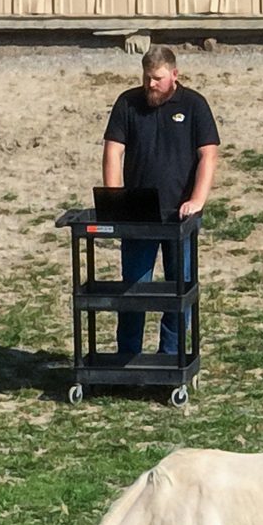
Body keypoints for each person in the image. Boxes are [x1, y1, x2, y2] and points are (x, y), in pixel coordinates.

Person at [101, 45, 220, 356]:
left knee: (178, 289)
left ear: (174, 75)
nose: (150, 85)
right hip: (139, 212)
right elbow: (113, 150)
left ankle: (172, 357)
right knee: (133, 291)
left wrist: (197, 200)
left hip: (179, 214)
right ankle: (127, 358)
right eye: (146, 78)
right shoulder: (128, 103)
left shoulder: (195, 105)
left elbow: (208, 154)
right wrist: (114, 199)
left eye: (157, 78)